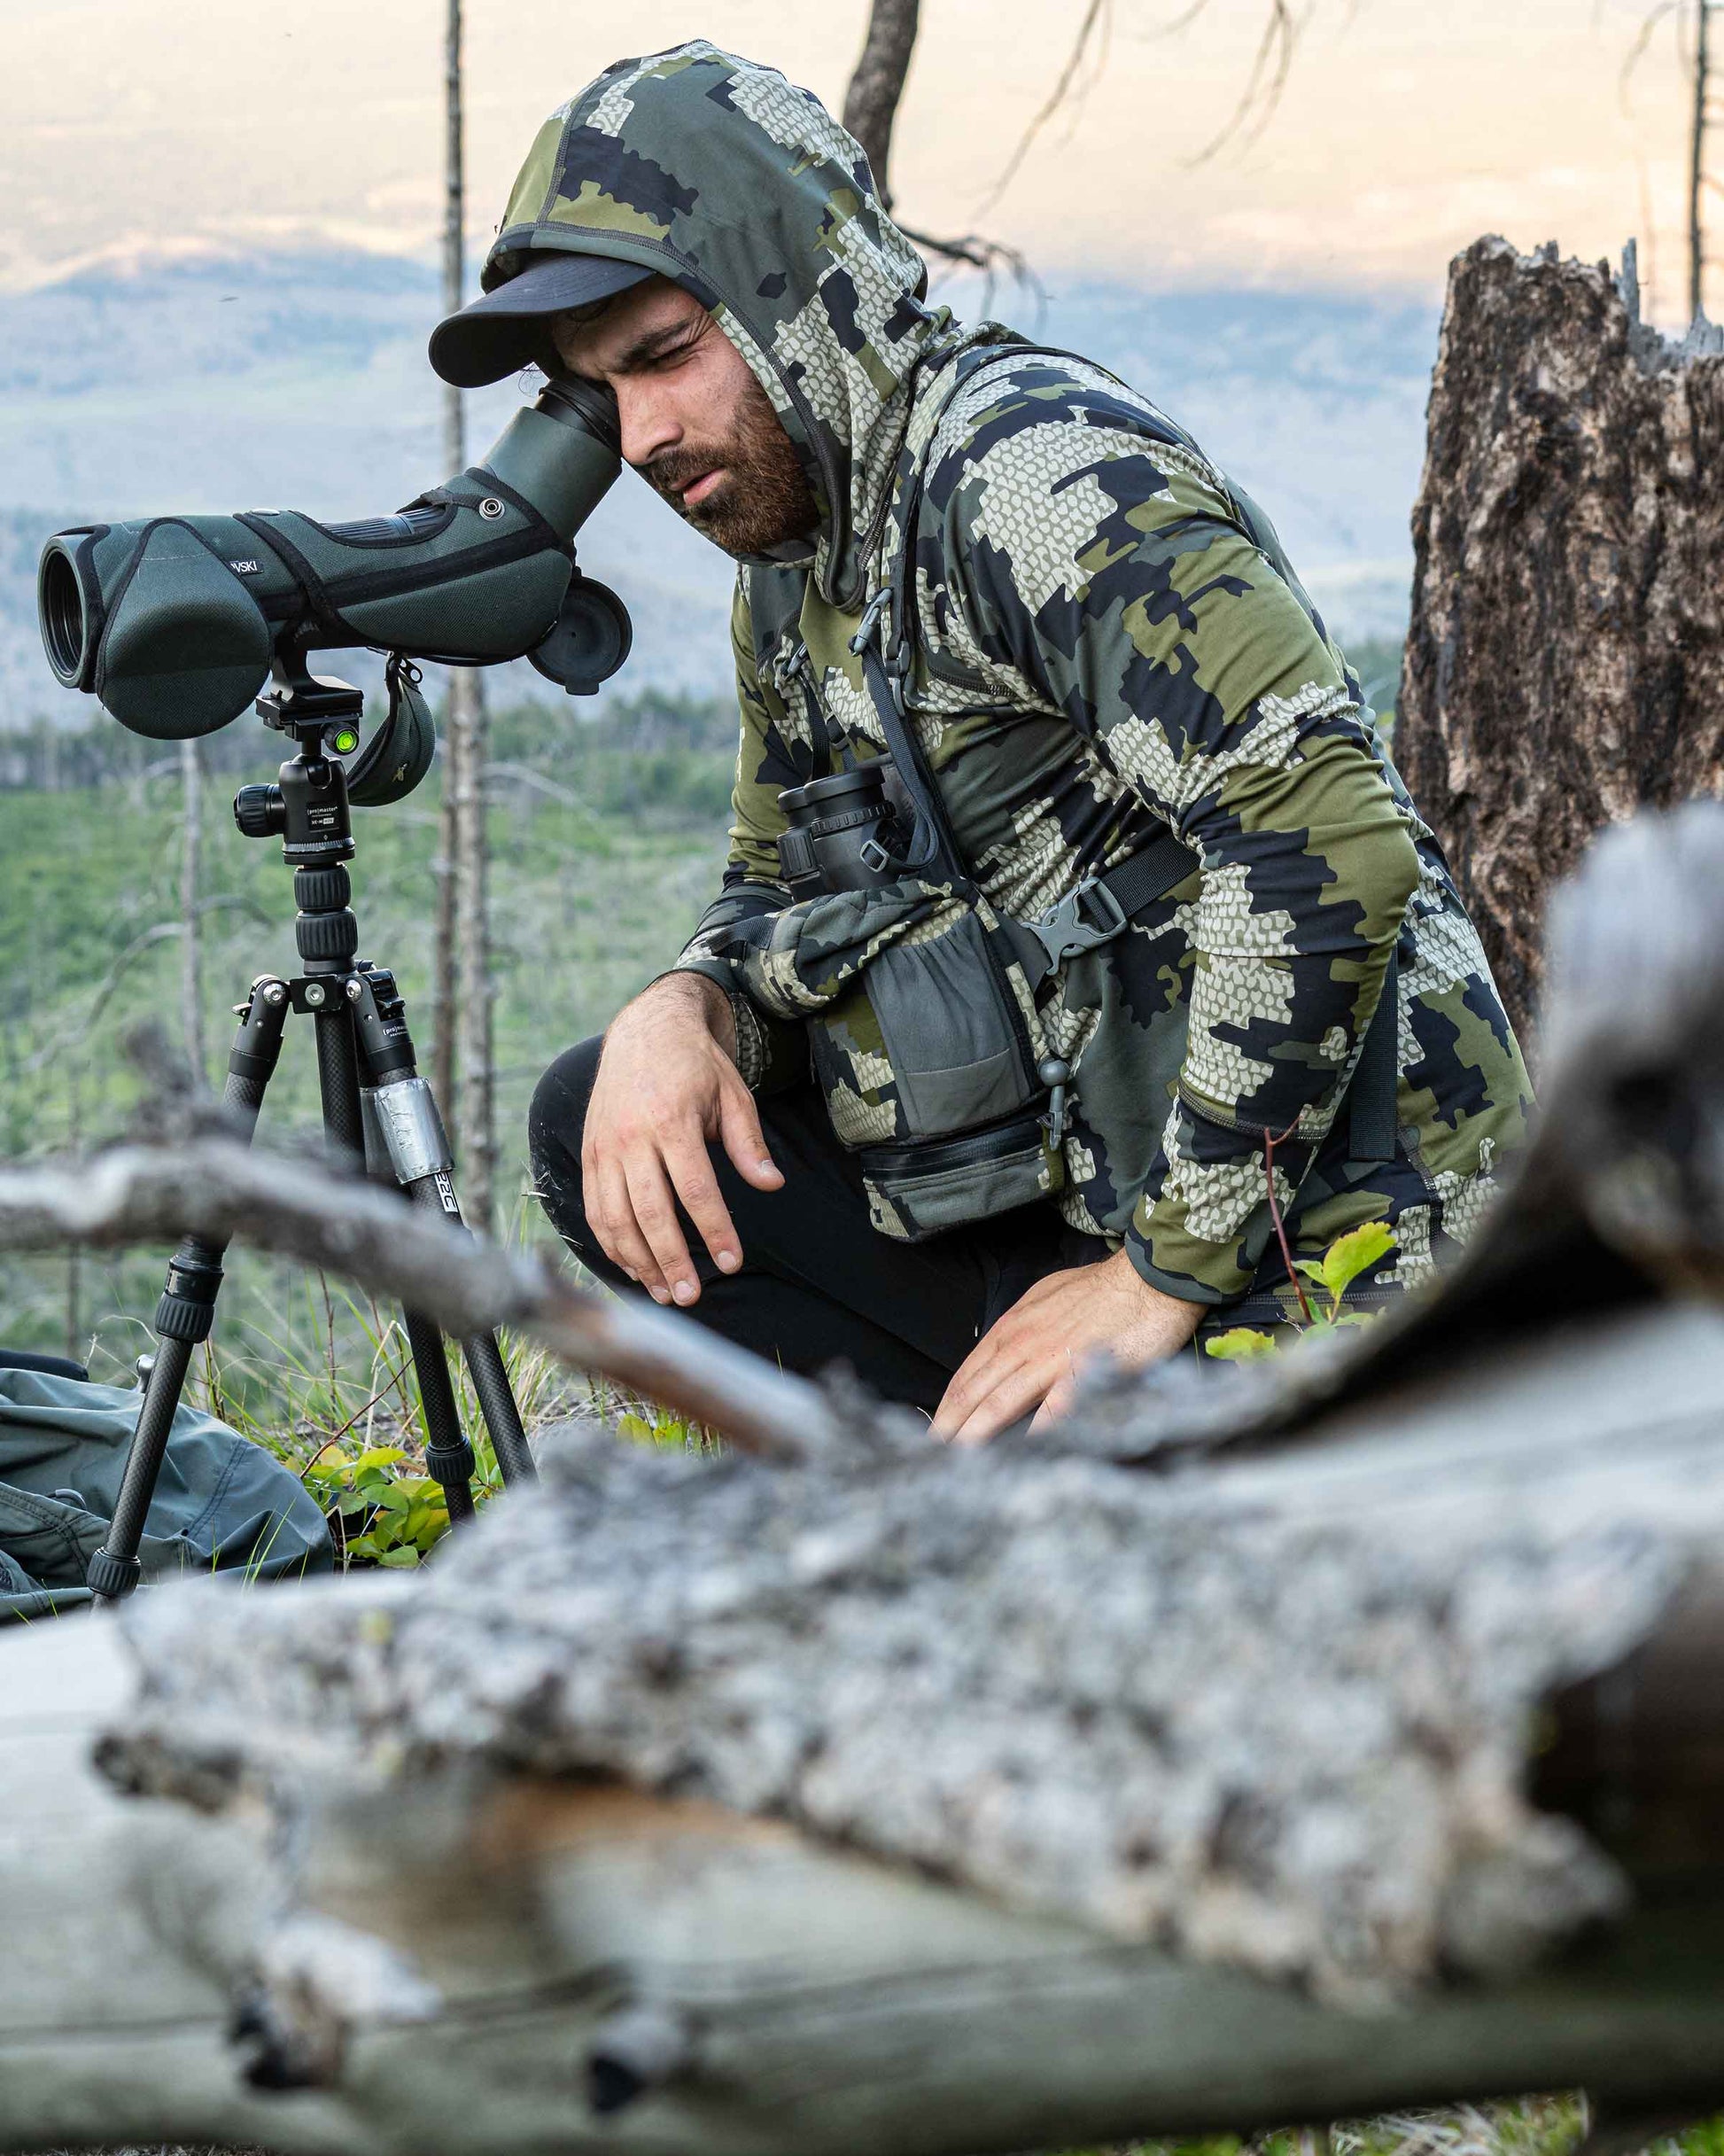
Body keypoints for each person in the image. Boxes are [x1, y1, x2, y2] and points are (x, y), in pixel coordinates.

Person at [429, 41, 1532, 1444]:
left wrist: (1155, 1275)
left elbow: (1326, 839)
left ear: (795, 296)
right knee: (605, 1115)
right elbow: (773, 885)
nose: (642, 435)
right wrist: (686, 1002)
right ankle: (968, 1474)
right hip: (1082, 1188)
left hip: (1330, 1235)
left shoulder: (1032, 478)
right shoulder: (799, 566)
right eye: (601, 394)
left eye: (664, 356)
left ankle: (1116, 1464)